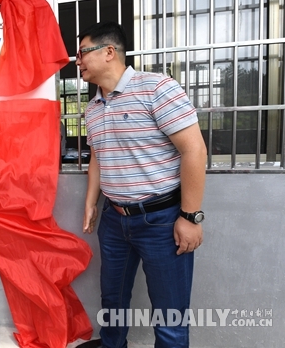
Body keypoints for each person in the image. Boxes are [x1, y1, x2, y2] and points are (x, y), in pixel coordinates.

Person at [78, 21, 207, 348]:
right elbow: (98, 157)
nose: (77, 61)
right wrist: (92, 202)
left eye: (82, 53)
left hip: (161, 222)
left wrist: (190, 217)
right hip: (113, 220)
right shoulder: (93, 107)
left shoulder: (156, 88)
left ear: (109, 52)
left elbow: (193, 150)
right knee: (113, 301)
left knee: (170, 315)